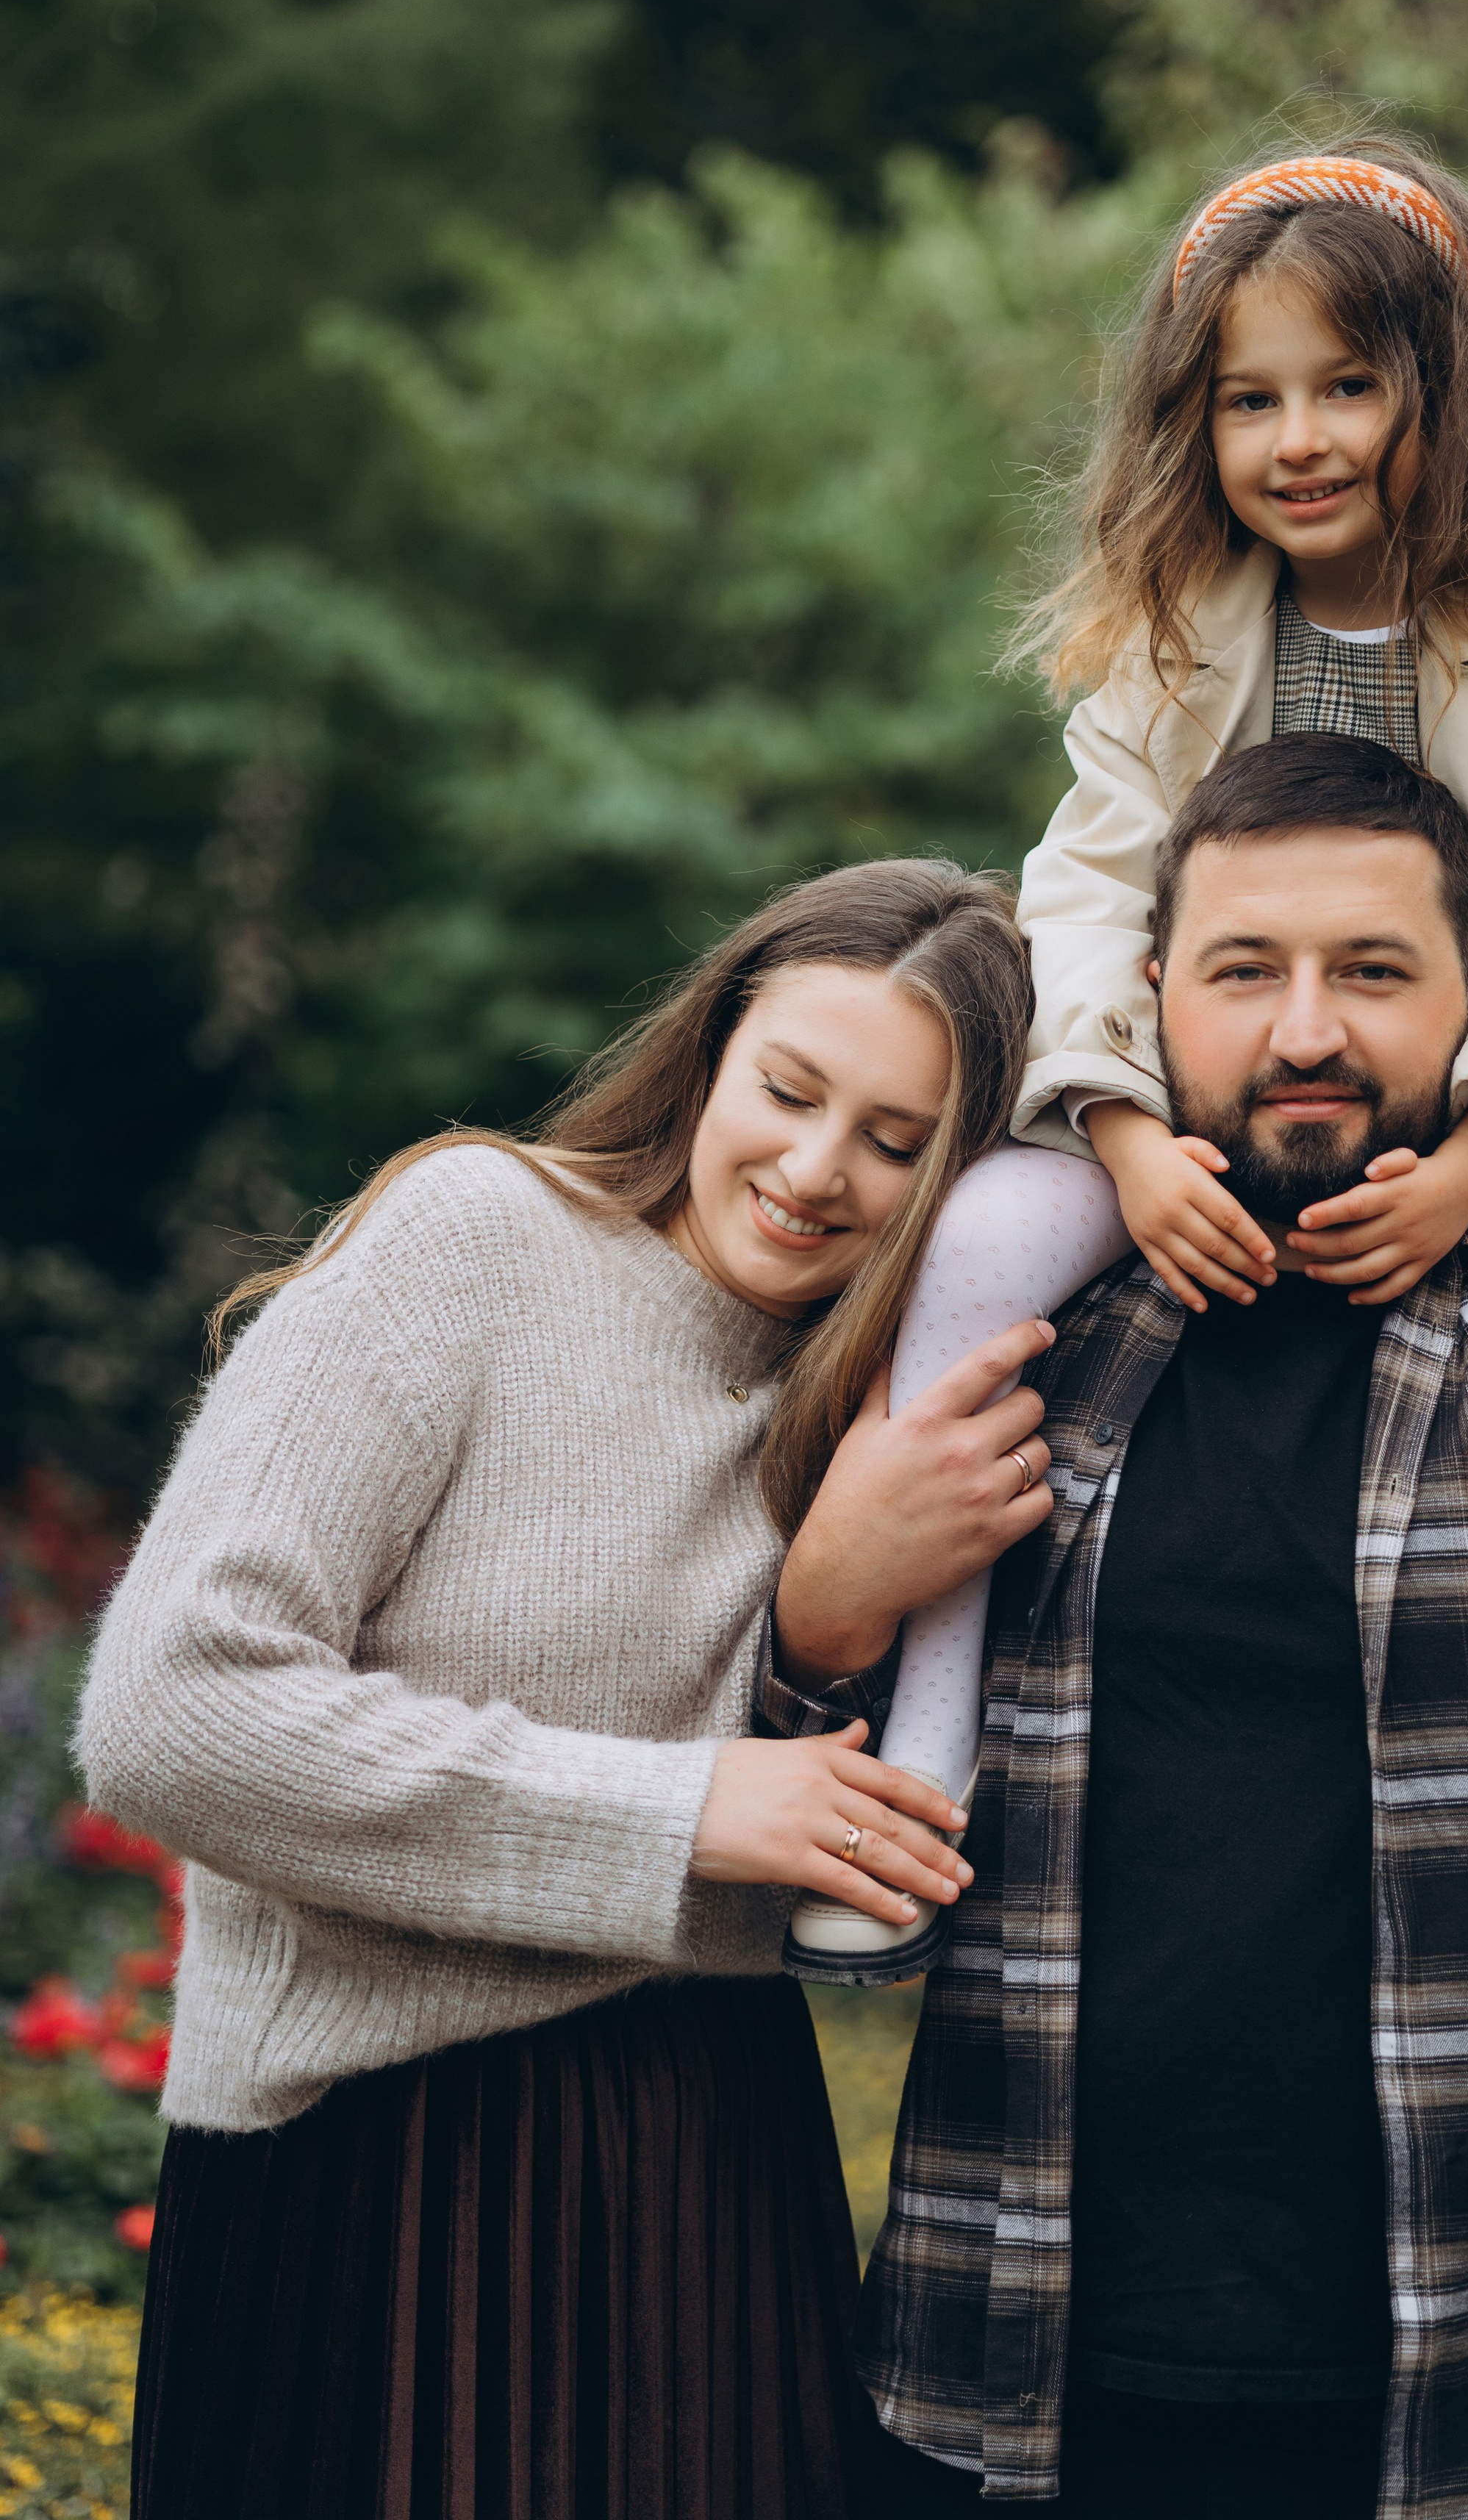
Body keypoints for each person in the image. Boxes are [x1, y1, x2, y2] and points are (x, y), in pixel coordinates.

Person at [787, 141, 1468, 2091]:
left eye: (1346, 387)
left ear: (1449, 398)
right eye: (1248, 397)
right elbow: (1091, 892)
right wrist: (1120, 1137)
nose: (1298, 438)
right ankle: (917, 1752)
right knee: (965, 1261)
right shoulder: (1167, 644)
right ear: (1190, 423)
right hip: (1164, 1101)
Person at [767, 737, 1468, 2517]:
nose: (1303, 1032)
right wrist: (821, 1618)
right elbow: (748, 1864)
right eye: (1242, 972)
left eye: (1370, 972)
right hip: (1008, 2377)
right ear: (1147, 995)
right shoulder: (1015, 1349)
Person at [76, 858, 1064, 2520]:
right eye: (789, 1092)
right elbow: (171, 1710)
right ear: (711, 1050)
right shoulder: (477, 1240)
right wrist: (679, 1809)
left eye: (897, 1145)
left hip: (711, 2152)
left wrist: (824, 1639)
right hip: (373, 2167)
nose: (816, 1171)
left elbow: (874, 1863)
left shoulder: (900, 1421)